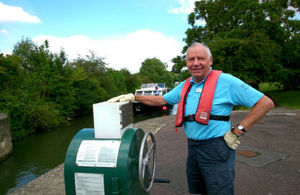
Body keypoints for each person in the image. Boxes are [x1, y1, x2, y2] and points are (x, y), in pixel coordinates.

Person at [108, 42, 274, 195]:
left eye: (200, 58)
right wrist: (132, 96)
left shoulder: (226, 81)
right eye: (191, 59)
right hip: (193, 148)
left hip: (217, 147)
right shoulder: (186, 84)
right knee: (197, 190)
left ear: (210, 60)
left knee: (219, 191)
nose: (195, 63)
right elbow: (161, 100)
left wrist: (238, 130)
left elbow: (265, 103)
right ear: (186, 63)